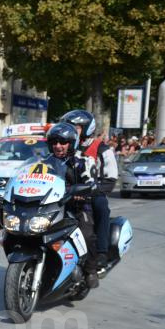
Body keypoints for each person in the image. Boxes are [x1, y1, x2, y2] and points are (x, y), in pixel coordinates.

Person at [43, 123, 99, 289]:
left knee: (86, 234)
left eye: (63, 142)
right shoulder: (45, 162)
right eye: (54, 142)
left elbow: (92, 183)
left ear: (72, 143)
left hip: (78, 206)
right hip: (51, 206)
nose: (58, 146)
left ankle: (91, 270)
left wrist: (83, 190)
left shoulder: (84, 160)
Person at [60, 109, 117, 270]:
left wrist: (92, 191)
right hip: (67, 190)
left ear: (87, 129)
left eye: (76, 127)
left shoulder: (101, 149)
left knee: (101, 206)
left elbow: (110, 178)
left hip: (92, 191)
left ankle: (101, 252)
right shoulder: (64, 145)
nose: (71, 130)